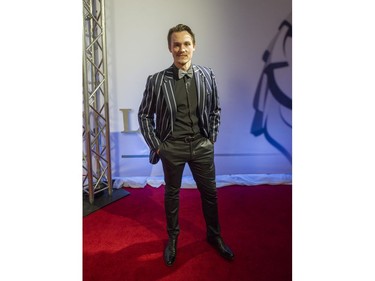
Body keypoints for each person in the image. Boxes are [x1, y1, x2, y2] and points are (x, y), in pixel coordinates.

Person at [138, 24, 234, 266]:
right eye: (177, 44)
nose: (182, 49)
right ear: (170, 48)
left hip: (201, 146)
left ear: (194, 46)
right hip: (172, 148)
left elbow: (215, 109)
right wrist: (158, 146)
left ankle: (214, 235)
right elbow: (144, 115)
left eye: (186, 43)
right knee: (172, 195)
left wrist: (210, 139)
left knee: (210, 194)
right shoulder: (157, 81)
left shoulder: (207, 75)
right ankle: (172, 240)